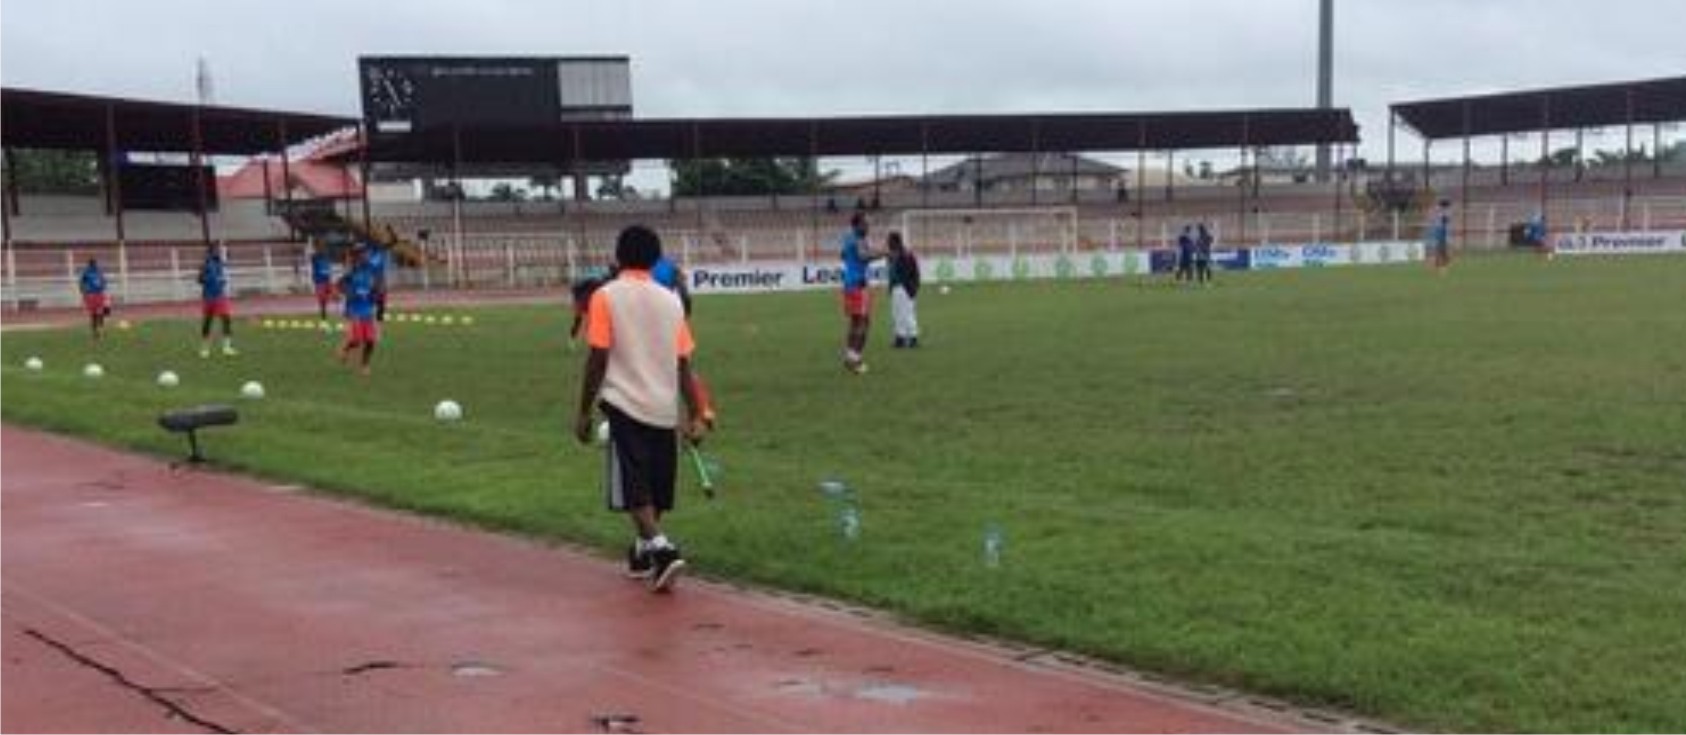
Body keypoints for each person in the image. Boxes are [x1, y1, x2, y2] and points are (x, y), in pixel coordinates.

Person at [575, 225, 709, 592]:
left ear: (618, 257)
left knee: (634, 484)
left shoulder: (605, 297)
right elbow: (684, 364)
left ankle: (662, 550)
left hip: (623, 401)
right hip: (663, 402)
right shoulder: (671, 301)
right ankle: (642, 549)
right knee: (655, 483)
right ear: (656, 259)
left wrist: (583, 410)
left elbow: (598, 356)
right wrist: (697, 414)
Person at [839, 212, 886, 374]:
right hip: (859, 284)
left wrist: (877, 250)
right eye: (865, 224)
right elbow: (863, 256)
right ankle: (855, 360)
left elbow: (844, 255)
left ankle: (849, 356)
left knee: (855, 322)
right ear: (857, 225)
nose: (868, 227)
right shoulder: (858, 238)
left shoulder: (848, 237)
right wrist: (883, 253)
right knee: (864, 322)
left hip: (849, 284)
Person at [337, 247, 380, 376]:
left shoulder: (370, 271)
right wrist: (348, 292)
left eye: (366, 255)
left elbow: (374, 287)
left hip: (367, 309)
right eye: (363, 255)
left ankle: (364, 365)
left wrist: (375, 293)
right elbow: (340, 284)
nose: (366, 257)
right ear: (358, 258)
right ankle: (345, 348)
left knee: (371, 340)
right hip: (354, 310)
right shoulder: (352, 272)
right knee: (357, 340)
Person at [197, 246, 237, 358]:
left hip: (220, 296)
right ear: (210, 253)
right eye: (216, 252)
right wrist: (209, 279)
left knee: (226, 319)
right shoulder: (205, 265)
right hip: (208, 297)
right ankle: (205, 349)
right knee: (208, 322)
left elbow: (227, 262)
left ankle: (227, 347)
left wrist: (222, 280)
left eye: (218, 252)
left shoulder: (220, 264)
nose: (218, 253)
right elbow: (199, 280)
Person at [886, 231, 921, 348]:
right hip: (896, 287)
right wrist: (890, 287)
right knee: (896, 314)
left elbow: (914, 273)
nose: (887, 243)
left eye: (889, 241)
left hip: (905, 287)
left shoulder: (905, 254)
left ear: (895, 242)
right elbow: (892, 273)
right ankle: (900, 338)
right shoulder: (892, 255)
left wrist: (913, 288)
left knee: (907, 313)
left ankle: (913, 337)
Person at [78, 257, 110, 340]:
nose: (94, 265)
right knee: (96, 314)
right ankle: (97, 333)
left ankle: (98, 332)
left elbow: (103, 282)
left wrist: (83, 292)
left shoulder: (98, 272)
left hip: (96, 295)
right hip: (93, 295)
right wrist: (84, 292)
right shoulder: (87, 272)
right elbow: (81, 283)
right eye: (93, 264)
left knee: (98, 314)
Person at [365, 239, 391, 321]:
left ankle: (379, 317)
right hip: (373, 279)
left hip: (378, 278)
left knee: (381, 299)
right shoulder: (370, 255)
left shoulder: (380, 254)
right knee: (372, 298)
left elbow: (393, 241)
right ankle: (371, 316)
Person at [310, 244, 335, 320]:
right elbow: (313, 258)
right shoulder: (315, 258)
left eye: (323, 248)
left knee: (328, 296)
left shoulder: (326, 259)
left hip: (326, 280)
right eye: (320, 248)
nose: (322, 250)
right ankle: (323, 310)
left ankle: (324, 308)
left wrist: (330, 278)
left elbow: (328, 269)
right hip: (319, 281)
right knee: (322, 297)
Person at [1429, 199, 1453, 273]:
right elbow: (1444, 220)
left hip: (1441, 230)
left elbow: (1445, 220)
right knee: (1440, 248)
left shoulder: (1442, 212)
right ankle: (1440, 265)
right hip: (1440, 230)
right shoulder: (1441, 211)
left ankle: (1441, 265)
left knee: (1441, 248)